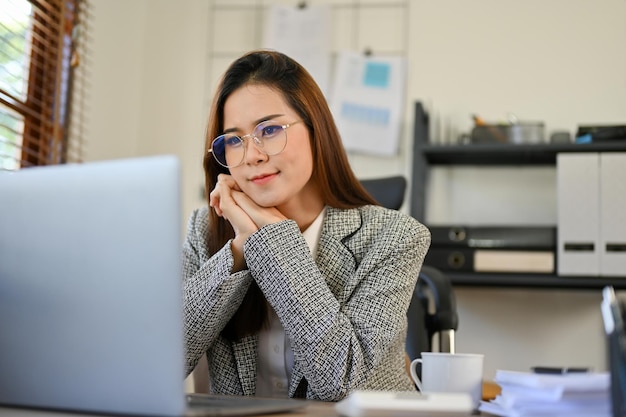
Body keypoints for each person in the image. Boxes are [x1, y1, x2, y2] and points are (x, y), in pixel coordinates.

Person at [182, 49, 431, 402]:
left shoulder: (396, 237)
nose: (252, 155)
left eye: (269, 130)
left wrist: (272, 241)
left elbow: (338, 381)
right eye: (234, 140)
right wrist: (240, 249)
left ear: (316, 130)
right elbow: (161, 361)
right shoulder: (206, 231)